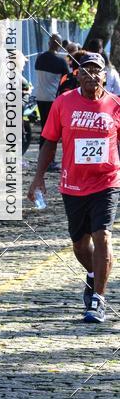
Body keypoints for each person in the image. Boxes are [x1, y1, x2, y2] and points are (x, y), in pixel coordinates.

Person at [28, 53, 120, 323]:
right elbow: (49, 141)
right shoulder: (63, 103)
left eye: (96, 71)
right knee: (80, 246)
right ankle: (93, 275)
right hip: (73, 184)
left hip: (107, 181)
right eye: (86, 70)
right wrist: (38, 178)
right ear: (76, 75)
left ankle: (98, 300)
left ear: (105, 76)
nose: (91, 75)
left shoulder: (115, 105)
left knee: (102, 236)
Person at [34, 34, 68, 170]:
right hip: (52, 99)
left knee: (44, 129)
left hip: (40, 97)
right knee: (52, 132)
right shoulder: (61, 62)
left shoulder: (40, 58)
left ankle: (42, 159)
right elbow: (66, 80)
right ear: (59, 44)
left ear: (49, 43)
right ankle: (49, 161)